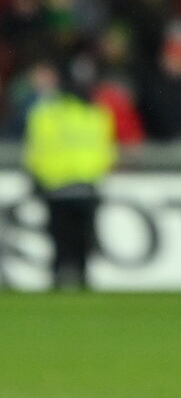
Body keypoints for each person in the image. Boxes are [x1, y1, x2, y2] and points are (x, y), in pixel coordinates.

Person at [23, 65, 116, 289]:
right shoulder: (96, 114)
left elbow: (34, 149)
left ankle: (64, 280)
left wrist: (37, 176)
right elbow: (106, 150)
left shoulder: (47, 113)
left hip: (62, 186)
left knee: (64, 240)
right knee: (74, 240)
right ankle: (76, 279)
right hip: (74, 186)